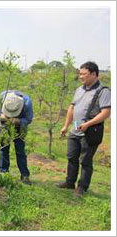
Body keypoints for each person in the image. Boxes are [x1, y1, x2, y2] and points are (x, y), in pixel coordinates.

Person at [57, 61, 111, 197]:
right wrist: (66, 125)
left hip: (90, 131)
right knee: (71, 157)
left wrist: (88, 124)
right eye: (79, 74)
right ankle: (70, 182)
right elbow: (72, 108)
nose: (81, 77)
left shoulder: (102, 91)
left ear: (93, 74)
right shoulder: (79, 89)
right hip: (75, 128)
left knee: (85, 161)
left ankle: (82, 188)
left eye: (83, 74)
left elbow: (105, 113)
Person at [0, 90, 33, 185]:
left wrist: (19, 121)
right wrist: (1, 115)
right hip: (4, 124)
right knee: (4, 149)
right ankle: (4, 173)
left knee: (20, 151)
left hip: (20, 126)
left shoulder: (27, 101)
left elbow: (29, 119)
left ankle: (24, 175)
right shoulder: (2, 96)